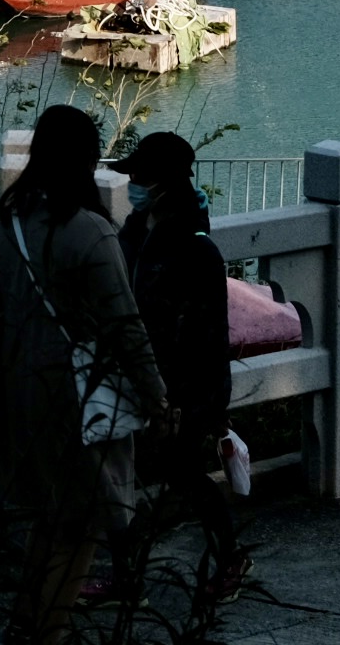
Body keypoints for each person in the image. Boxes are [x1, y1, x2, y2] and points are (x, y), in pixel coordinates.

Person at [0, 106, 163, 645]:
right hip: (79, 397)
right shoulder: (91, 233)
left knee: (47, 520)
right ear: (85, 160)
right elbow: (125, 328)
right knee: (81, 526)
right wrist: (157, 397)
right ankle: (44, 634)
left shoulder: (2, 229)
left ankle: (22, 627)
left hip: (18, 392)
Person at [118, 134, 244, 599]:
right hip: (138, 373)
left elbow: (207, 335)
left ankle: (228, 559)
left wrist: (199, 402)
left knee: (184, 472)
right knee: (126, 473)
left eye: (140, 176)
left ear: (164, 183)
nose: (132, 183)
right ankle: (123, 573)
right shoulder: (135, 230)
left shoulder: (196, 248)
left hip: (184, 385)